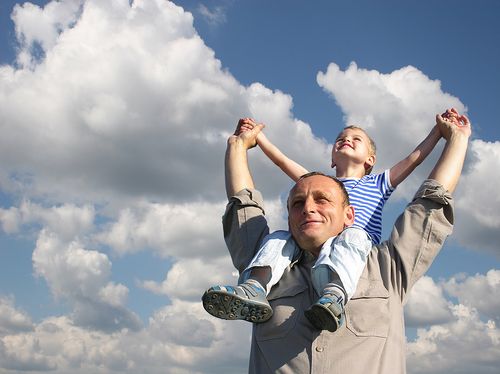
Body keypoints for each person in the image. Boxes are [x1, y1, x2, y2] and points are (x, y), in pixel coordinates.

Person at [204, 110, 470, 373]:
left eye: (322, 200)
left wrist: (450, 137)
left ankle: (335, 293)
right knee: (276, 240)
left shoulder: (387, 269)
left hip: (359, 246)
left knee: (353, 236)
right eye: (297, 203)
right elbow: (245, 203)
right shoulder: (267, 259)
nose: (308, 208)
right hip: (278, 262)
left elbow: (430, 201)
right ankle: (253, 288)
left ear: (348, 213)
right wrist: (242, 144)